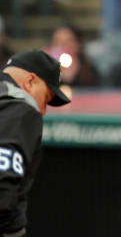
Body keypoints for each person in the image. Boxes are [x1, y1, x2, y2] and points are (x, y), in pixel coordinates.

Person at [0, 50, 70, 236]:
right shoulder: (21, 109)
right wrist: (14, 231)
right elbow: (2, 188)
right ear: (30, 82)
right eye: (46, 99)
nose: (43, 111)